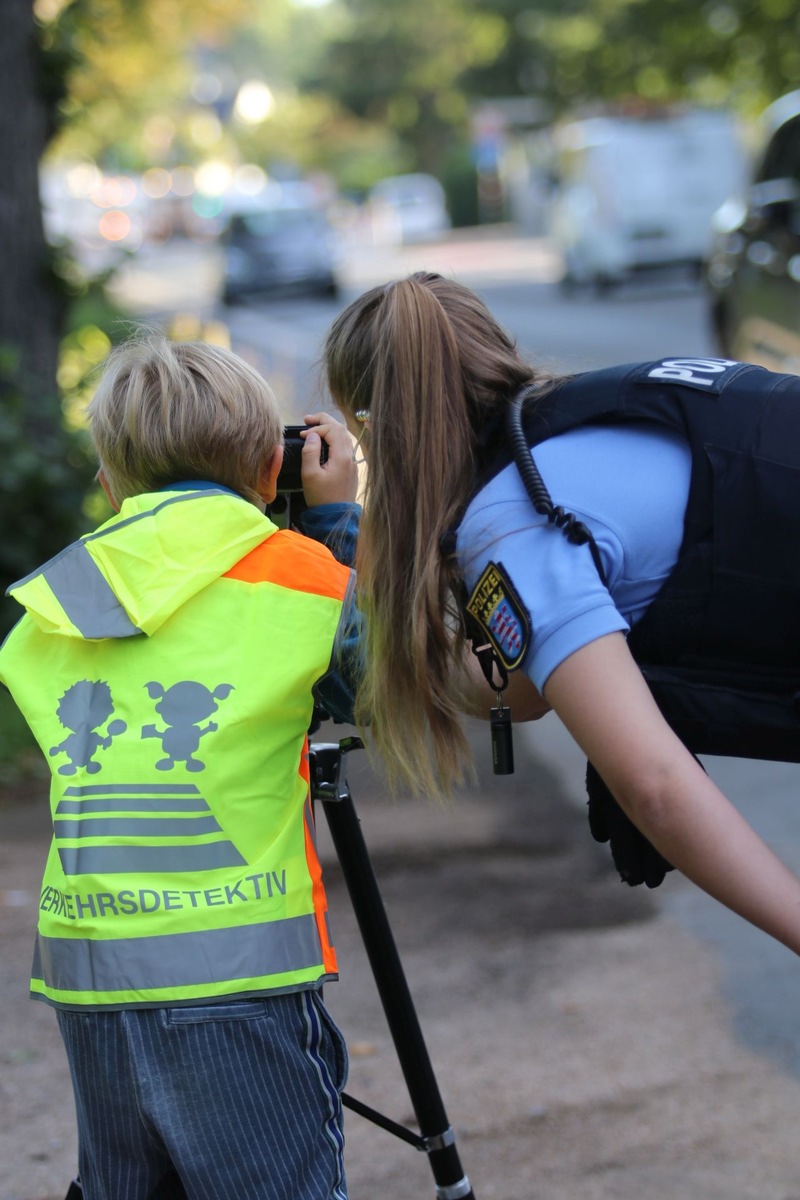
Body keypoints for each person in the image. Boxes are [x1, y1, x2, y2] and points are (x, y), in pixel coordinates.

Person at [321, 269, 800, 959]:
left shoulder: (515, 521)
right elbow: (513, 687)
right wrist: (351, 542)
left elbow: (656, 787)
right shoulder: (590, 426)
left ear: (375, 429)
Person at [0, 334, 362, 1200]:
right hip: (234, 970)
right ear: (265, 462)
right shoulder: (305, 578)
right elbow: (378, 681)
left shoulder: (50, 606)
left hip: (91, 975)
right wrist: (338, 522)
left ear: (110, 482)